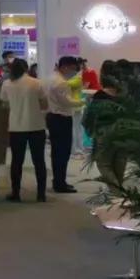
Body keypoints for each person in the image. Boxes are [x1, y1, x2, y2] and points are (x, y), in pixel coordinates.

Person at [0, 58, 49, 202]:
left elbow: (4, 103)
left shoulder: (7, 84)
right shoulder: (36, 83)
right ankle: (41, 194)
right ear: (26, 68)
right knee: (39, 161)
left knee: (16, 161)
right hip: (36, 126)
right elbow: (44, 104)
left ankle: (16, 193)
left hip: (16, 127)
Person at [45, 56, 83, 194]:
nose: (74, 72)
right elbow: (66, 102)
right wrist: (83, 101)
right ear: (65, 67)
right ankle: (60, 183)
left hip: (53, 117)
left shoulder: (51, 78)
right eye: (73, 69)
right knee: (62, 152)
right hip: (61, 118)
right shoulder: (61, 82)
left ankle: (59, 181)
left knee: (57, 152)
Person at [85, 77, 126, 189]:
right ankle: (119, 192)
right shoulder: (125, 96)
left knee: (104, 164)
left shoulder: (99, 96)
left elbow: (89, 116)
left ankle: (117, 192)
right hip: (124, 133)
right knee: (119, 162)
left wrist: (91, 131)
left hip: (104, 133)